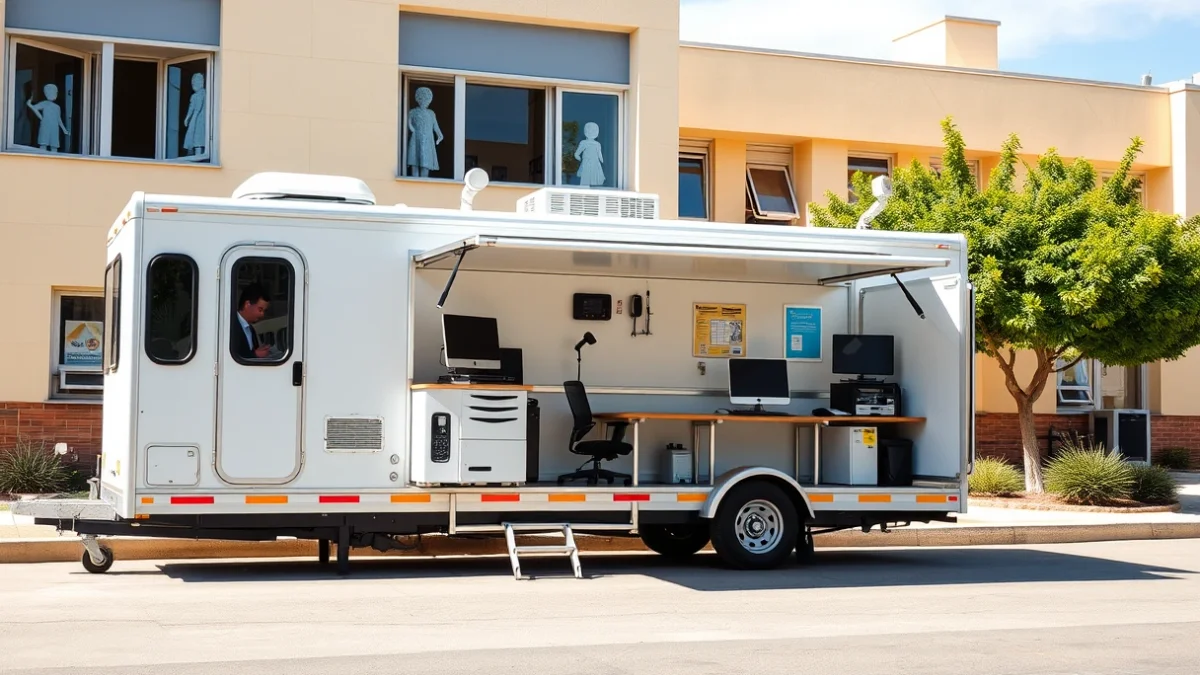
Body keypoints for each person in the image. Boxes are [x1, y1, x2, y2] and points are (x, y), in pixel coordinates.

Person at [231, 283, 271, 360]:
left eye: (264, 311)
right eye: (260, 309)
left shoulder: (251, 329)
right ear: (247, 304)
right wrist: (255, 354)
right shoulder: (230, 326)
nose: (262, 314)